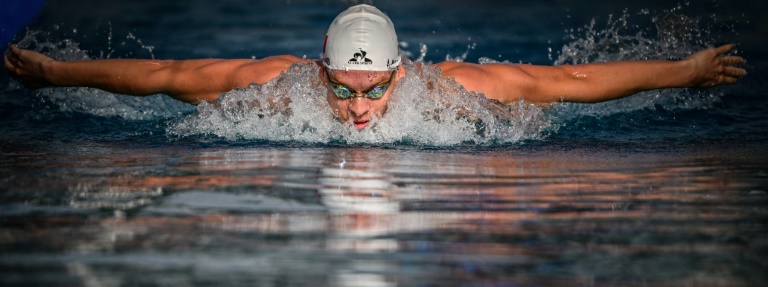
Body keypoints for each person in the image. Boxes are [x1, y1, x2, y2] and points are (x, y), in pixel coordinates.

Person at [3, 4, 747, 130]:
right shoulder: (276, 87)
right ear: (320, 70)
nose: (359, 110)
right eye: (342, 88)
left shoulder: (446, 90)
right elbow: (165, 75)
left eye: (375, 90)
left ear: (400, 74)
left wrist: (682, 73)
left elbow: (573, 84)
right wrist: (56, 74)